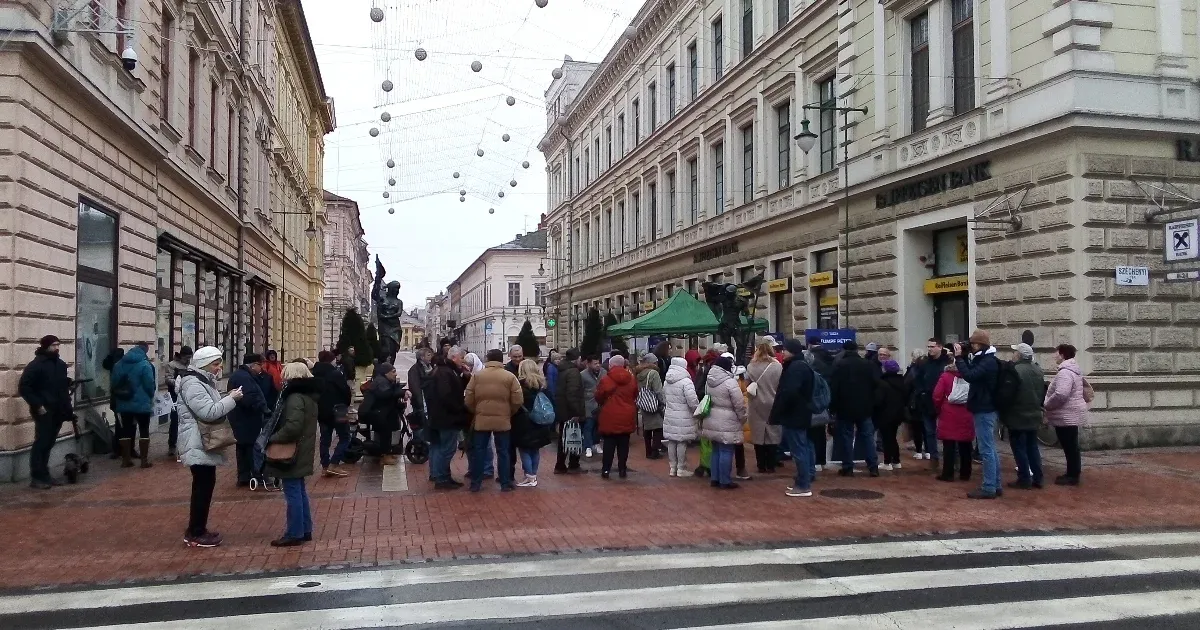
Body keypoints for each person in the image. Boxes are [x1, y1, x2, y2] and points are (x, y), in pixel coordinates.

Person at [174, 346, 242, 547]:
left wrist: (226, 397)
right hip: (197, 441)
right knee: (202, 487)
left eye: (219, 363)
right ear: (204, 365)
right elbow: (209, 412)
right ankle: (196, 532)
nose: (219, 368)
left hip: (201, 440)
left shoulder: (202, 381)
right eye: (215, 364)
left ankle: (198, 529)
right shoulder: (193, 383)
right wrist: (231, 399)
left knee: (204, 485)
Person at [265, 362, 320, 547]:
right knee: (299, 490)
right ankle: (305, 529)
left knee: (293, 492)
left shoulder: (295, 397)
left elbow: (292, 427)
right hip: (302, 449)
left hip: (293, 451)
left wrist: (272, 438)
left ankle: (295, 532)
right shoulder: (308, 395)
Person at [952, 330, 1002, 499]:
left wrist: (959, 358)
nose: (971, 346)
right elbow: (971, 371)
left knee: (986, 449)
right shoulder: (985, 359)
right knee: (990, 448)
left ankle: (989, 487)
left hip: (984, 408)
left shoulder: (987, 361)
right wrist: (965, 358)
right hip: (986, 407)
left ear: (980, 344)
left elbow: (970, 375)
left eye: (973, 343)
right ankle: (996, 484)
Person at [19, 335, 73, 489]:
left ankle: (45, 475)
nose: (57, 348)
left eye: (58, 345)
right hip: (43, 410)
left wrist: (67, 408)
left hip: (58, 409)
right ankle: (37, 477)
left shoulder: (60, 364)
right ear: (45, 346)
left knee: (49, 443)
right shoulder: (36, 365)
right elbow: (24, 387)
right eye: (53, 345)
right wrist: (38, 404)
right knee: (41, 442)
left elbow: (61, 387)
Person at [466, 349, 523, 491]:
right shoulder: (509, 376)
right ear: (501, 359)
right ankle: (505, 483)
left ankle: (476, 483)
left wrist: (476, 410)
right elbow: (518, 400)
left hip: (481, 418)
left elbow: (468, 398)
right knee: (503, 452)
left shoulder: (477, 376)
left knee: (479, 451)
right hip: (503, 419)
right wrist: (509, 411)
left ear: (487, 359)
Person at [770, 339, 816, 498]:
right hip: (799, 414)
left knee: (799, 450)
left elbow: (790, 392)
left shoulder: (796, 368)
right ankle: (802, 481)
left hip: (795, 415)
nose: (782, 352)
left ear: (792, 351)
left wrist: (781, 410)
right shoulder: (799, 365)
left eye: (785, 349)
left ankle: (803, 485)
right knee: (801, 448)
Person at [829, 340, 881, 477]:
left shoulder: (839, 365)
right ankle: (873, 466)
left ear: (844, 350)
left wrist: (832, 407)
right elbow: (876, 384)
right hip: (865, 407)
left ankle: (848, 466)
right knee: (868, 437)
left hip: (844, 407)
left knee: (846, 437)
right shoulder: (868, 364)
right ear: (857, 350)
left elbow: (834, 387)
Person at [425, 347, 470, 489]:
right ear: (454, 357)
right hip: (446, 418)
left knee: (439, 447)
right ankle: (441, 478)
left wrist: (465, 377)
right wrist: (459, 409)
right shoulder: (445, 372)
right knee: (447, 449)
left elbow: (455, 389)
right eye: (461, 358)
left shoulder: (444, 370)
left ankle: (440, 475)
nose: (463, 361)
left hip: (439, 416)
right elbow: (447, 395)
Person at [1004, 343, 1047, 489]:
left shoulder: (1015, 370)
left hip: (1017, 414)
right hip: (1034, 413)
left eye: (1015, 352)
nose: (1013, 354)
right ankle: (1038, 477)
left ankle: (1024, 477)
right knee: (1032, 446)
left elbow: (1009, 394)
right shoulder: (1038, 370)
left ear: (1019, 355)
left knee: (1019, 447)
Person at [1045, 343, 1087, 486]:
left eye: (1057, 353)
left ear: (1062, 355)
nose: (1055, 356)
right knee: (1072, 446)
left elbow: (1061, 394)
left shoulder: (1065, 372)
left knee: (1069, 446)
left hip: (1066, 414)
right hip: (1071, 413)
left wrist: (1048, 404)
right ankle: (1072, 473)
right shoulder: (1074, 370)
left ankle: (1072, 475)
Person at [702, 355, 747, 489]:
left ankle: (715, 478)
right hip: (728, 420)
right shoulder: (730, 382)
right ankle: (725, 480)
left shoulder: (709, 380)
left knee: (716, 449)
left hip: (712, 418)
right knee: (726, 450)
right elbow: (739, 403)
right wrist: (742, 417)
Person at [111, 341, 158, 469]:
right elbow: (149, 384)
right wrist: (150, 396)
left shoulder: (118, 365)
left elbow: (114, 383)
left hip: (124, 402)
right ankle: (144, 461)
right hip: (142, 404)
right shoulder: (145, 365)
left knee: (125, 430)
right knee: (144, 429)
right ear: (145, 350)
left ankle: (126, 460)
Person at [594, 355, 638, 479]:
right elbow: (635, 394)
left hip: (610, 414)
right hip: (627, 414)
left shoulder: (606, 379)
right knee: (624, 443)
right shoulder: (631, 379)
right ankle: (622, 469)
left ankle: (606, 470)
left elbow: (599, 396)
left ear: (611, 365)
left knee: (609, 443)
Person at [229, 354, 270, 487]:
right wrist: (264, 409)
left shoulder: (240, 375)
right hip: (247, 419)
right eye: (260, 364)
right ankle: (257, 475)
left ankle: (244, 476)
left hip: (240, 418)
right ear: (253, 365)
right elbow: (250, 398)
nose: (262, 368)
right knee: (252, 448)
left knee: (242, 447)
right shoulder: (245, 377)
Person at [514, 359, 554, 487]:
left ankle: (530, 476)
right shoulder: (542, 385)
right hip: (540, 421)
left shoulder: (520, 386)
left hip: (524, 421)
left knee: (524, 449)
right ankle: (533, 475)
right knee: (535, 449)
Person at [932, 361, 975, 482]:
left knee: (949, 445)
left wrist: (939, 408)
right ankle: (965, 473)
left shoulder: (945, 376)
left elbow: (937, 395)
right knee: (966, 445)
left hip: (949, 414)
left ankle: (948, 473)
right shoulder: (970, 376)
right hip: (967, 413)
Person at [313, 351, 353, 477]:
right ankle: (334, 464)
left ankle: (325, 466)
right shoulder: (335, 374)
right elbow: (345, 391)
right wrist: (346, 404)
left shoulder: (314, 374)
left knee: (325, 439)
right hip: (338, 410)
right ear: (331, 360)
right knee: (345, 437)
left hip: (322, 411)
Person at [746, 339, 783, 474]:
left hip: (756, 403)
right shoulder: (778, 366)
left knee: (758, 434)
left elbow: (748, 384)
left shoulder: (751, 366)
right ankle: (771, 464)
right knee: (773, 434)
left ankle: (761, 465)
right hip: (773, 402)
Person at [912, 339, 952, 465]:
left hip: (944, 401)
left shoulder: (947, 362)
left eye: (932, 346)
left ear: (940, 347)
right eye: (928, 346)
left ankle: (950, 459)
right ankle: (934, 458)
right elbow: (917, 379)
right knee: (929, 431)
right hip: (927, 401)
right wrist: (922, 393)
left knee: (947, 432)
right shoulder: (924, 362)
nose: (929, 349)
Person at [360, 362, 406, 465]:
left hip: (377, 411)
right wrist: (401, 393)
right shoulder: (381, 382)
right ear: (386, 373)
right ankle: (384, 455)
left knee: (388, 426)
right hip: (370, 412)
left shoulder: (386, 381)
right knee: (385, 429)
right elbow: (386, 394)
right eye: (393, 372)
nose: (395, 374)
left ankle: (386, 452)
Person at [662, 356, 699, 477]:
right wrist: (697, 410)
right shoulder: (686, 381)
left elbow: (664, 398)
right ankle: (681, 468)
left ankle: (672, 468)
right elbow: (692, 401)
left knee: (672, 441)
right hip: (684, 415)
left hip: (670, 414)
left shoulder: (667, 381)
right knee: (681, 442)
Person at [806, 340, 836, 472]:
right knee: (820, 433)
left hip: (812, 405)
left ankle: (814, 462)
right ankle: (821, 460)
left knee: (811, 435)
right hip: (823, 404)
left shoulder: (812, 371)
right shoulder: (829, 359)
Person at [554, 349, 586, 473]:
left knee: (564, 437)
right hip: (570, 411)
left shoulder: (563, 369)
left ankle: (561, 464)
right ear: (576, 358)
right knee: (574, 436)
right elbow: (572, 393)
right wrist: (577, 412)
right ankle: (572, 464)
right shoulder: (573, 372)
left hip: (563, 410)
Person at [875, 360, 909, 472]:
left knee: (886, 439)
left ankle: (887, 462)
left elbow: (878, 400)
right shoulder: (902, 382)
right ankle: (896, 461)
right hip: (898, 414)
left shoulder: (882, 383)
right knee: (893, 437)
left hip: (885, 414)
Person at [633, 353, 666, 460]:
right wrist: (662, 402)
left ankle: (648, 451)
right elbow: (658, 390)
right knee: (658, 427)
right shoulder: (653, 373)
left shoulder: (639, 373)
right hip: (653, 403)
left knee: (647, 428)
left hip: (643, 402)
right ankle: (655, 451)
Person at [163, 347, 193, 458]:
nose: (188, 360)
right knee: (175, 420)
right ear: (181, 356)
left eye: (190, 357)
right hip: (175, 396)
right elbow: (167, 379)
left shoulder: (190, 365)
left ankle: (187, 444)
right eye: (186, 357)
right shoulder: (172, 365)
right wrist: (178, 382)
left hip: (188, 395)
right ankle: (172, 445)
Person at [579, 355, 607, 458]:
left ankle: (596, 443)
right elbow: (580, 389)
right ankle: (588, 446)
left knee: (598, 426)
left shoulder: (604, 372)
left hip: (601, 404)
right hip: (588, 404)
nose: (598, 365)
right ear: (589, 364)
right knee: (588, 426)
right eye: (595, 363)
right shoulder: (583, 375)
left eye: (598, 363)